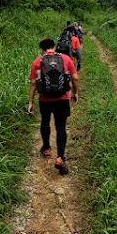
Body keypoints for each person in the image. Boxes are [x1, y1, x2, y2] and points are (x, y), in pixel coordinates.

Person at [28, 37, 78, 174]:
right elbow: (75, 78)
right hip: (62, 99)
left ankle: (46, 148)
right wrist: (75, 93)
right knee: (61, 127)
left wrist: (31, 102)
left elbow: (33, 83)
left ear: (42, 49)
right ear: (53, 47)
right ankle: (60, 158)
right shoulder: (66, 59)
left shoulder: (37, 61)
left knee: (45, 122)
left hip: (45, 100)